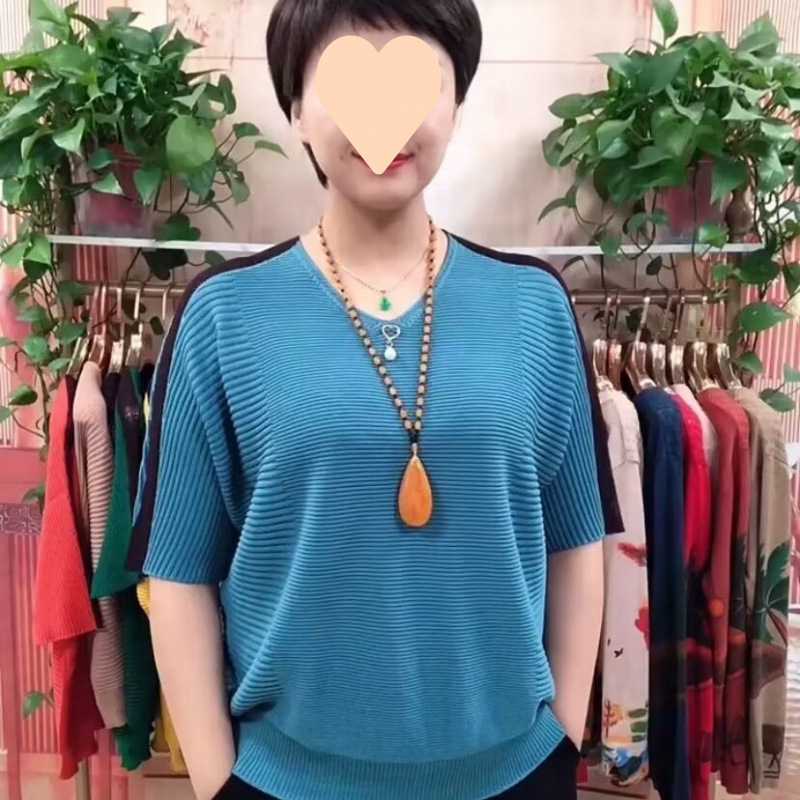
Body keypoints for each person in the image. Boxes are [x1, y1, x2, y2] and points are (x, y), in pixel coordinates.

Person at [129, 1, 619, 798]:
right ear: (295, 109)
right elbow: (181, 572)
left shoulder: (535, 306)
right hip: (284, 781)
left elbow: (577, 541)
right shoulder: (223, 317)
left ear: (457, 102)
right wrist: (218, 782)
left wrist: (561, 733)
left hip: (515, 773)